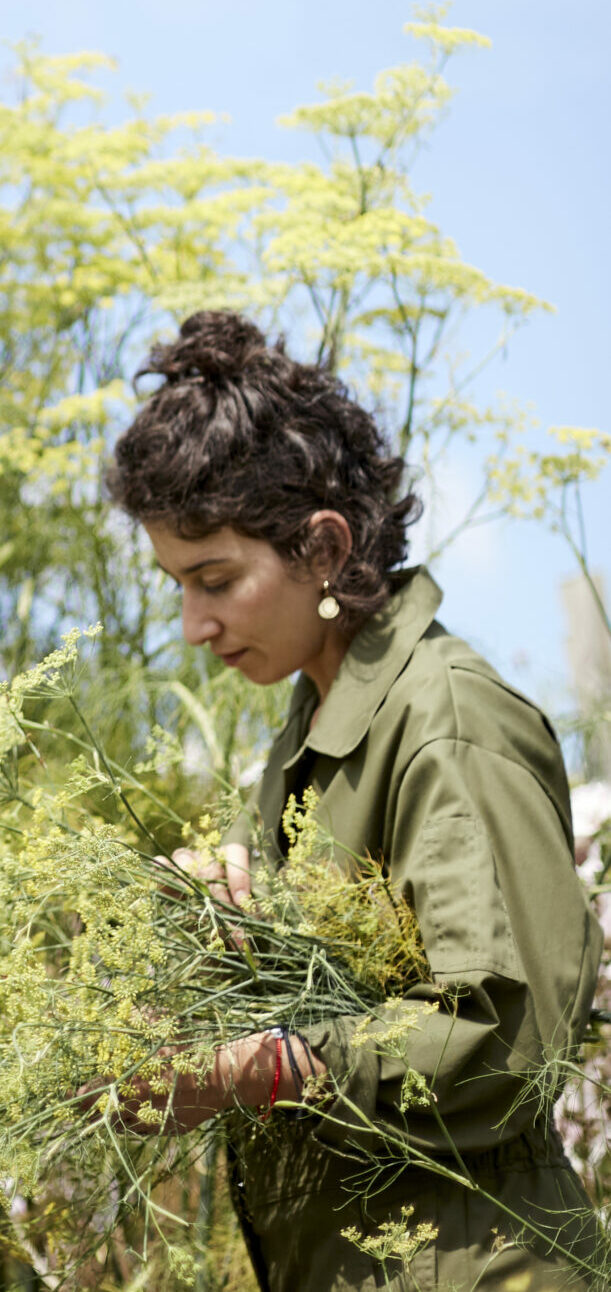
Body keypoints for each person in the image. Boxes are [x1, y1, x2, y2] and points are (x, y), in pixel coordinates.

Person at [105, 313, 603, 1289]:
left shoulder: (447, 719)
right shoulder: (302, 741)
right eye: (176, 584)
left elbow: (505, 1028)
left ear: (323, 548)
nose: (194, 625)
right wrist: (227, 927)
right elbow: (337, 998)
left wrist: (267, 1067)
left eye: (215, 580)